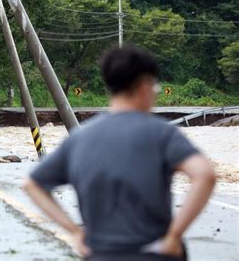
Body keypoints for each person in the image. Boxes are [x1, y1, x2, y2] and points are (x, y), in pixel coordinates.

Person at [23, 44, 216, 261]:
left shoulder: (79, 138)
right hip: (153, 253)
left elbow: (32, 185)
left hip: (100, 255)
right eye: (155, 86)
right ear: (144, 86)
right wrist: (174, 235)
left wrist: (76, 232)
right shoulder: (162, 133)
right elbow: (205, 175)